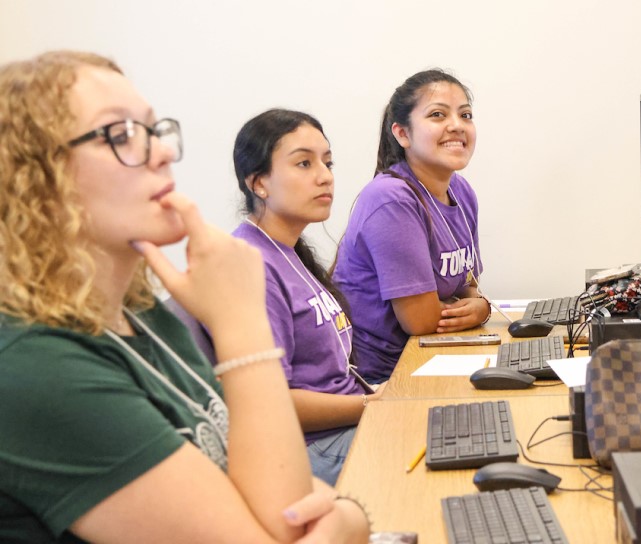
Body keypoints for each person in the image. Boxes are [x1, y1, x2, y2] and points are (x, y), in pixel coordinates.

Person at [0, 51, 369, 543]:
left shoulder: (146, 316)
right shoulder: (37, 366)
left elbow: (283, 515)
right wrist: (241, 322)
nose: (162, 153)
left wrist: (344, 519)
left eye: (153, 131)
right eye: (120, 134)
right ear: (36, 180)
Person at [232, 109, 384, 486]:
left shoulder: (289, 251)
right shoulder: (251, 264)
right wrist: (376, 406)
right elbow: (272, 405)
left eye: (328, 162)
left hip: (345, 423)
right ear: (259, 183)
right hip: (310, 449)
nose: (325, 176)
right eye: (304, 163)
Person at [333, 69, 491, 384]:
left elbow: (468, 286)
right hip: (381, 380)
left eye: (466, 114)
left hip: (431, 357)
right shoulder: (391, 199)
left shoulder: (461, 192)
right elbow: (421, 320)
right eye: (437, 115)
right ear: (402, 134)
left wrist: (482, 307)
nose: (456, 125)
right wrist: (473, 306)